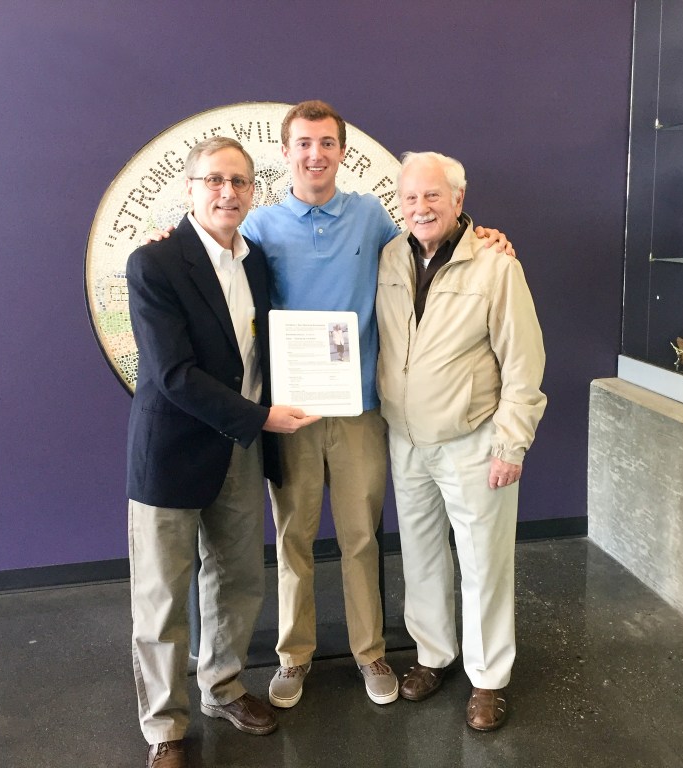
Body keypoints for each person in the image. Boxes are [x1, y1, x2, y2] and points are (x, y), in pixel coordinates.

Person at [149, 101, 511, 710]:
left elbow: (428, 241)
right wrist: (169, 235)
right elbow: (206, 258)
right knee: (293, 539)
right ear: (285, 153)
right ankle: (294, 657)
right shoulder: (259, 226)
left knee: (360, 538)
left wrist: (483, 232)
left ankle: (370, 652)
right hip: (287, 415)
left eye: (326, 143)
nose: (315, 154)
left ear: (341, 152)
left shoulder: (370, 216)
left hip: (360, 412)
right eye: (303, 144)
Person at [125, 136, 318, 768]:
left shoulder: (256, 260)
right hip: (172, 453)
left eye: (238, 182)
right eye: (214, 180)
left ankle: (224, 686)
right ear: (190, 188)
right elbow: (172, 374)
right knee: (163, 595)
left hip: (240, 449)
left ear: (252, 192)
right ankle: (164, 727)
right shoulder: (154, 264)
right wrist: (261, 416)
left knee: (237, 579)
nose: (226, 192)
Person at [375, 151, 546, 731]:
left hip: (473, 440)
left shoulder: (496, 266)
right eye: (411, 197)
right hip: (406, 439)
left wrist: (511, 444)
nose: (420, 207)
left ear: (458, 200)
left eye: (433, 196)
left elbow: (524, 364)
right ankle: (432, 656)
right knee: (421, 558)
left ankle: (489, 678)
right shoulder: (389, 257)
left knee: (483, 564)